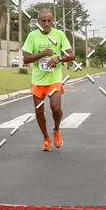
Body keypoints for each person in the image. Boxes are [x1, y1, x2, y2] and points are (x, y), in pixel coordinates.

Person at [22, 8, 74, 151]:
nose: (46, 23)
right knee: (39, 112)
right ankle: (46, 138)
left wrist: (59, 58)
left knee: (55, 108)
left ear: (52, 21)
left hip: (54, 79)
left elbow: (71, 55)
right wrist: (41, 54)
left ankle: (56, 129)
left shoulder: (59, 34)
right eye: (43, 21)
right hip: (38, 81)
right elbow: (26, 58)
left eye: (49, 21)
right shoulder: (32, 36)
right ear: (38, 22)